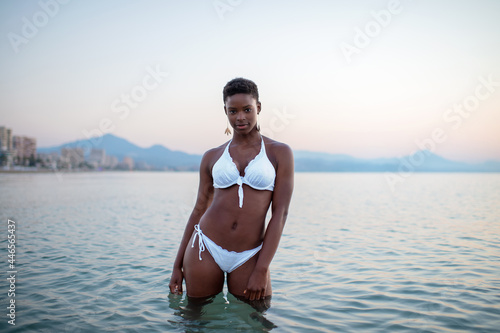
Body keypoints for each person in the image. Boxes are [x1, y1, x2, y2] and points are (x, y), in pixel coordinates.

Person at [169, 77, 294, 304]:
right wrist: (176, 265)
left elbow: (280, 214)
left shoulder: (279, 153)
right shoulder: (212, 156)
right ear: (225, 111)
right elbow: (198, 210)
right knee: (195, 323)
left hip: (250, 254)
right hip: (204, 247)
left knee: (257, 321)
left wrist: (262, 268)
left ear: (258, 107)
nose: (240, 117)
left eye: (247, 109)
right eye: (232, 111)